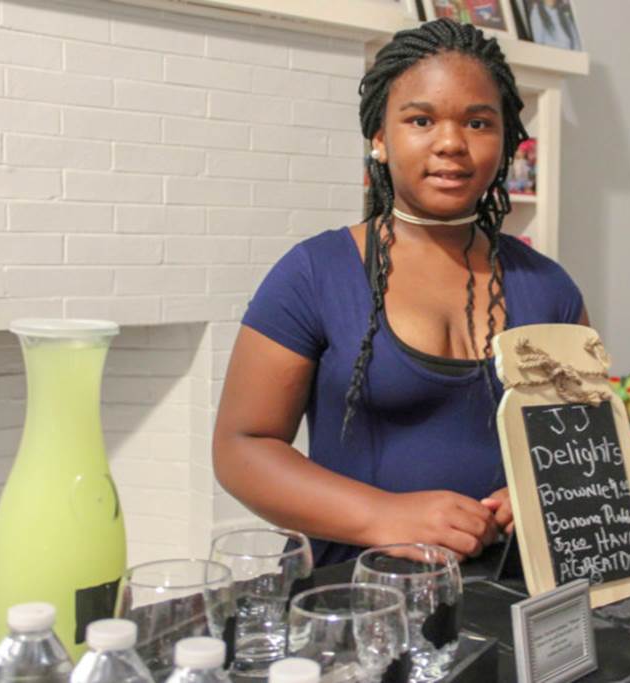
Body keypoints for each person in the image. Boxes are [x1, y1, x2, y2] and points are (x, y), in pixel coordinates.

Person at [212, 18, 588, 567]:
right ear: (381, 139)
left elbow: (585, 447)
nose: (451, 143)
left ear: (506, 139)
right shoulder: (314, 274)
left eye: (479, 122)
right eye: (421, 119)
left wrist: (543, 492)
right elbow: (241, 448)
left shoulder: (550, 288)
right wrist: (383, 515)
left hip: (521, 594)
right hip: (360, 601)